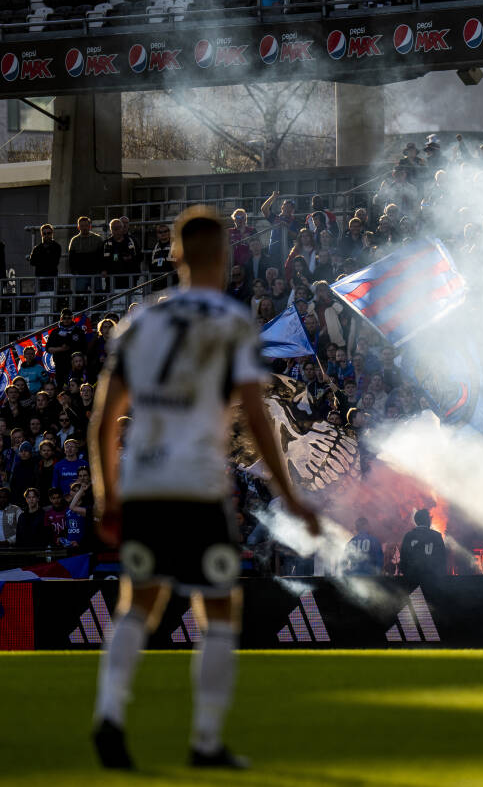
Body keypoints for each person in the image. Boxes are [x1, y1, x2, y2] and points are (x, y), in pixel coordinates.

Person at [90, 205, 320, 771]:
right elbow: (258, 420)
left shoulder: (139, 321)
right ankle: (206, 741)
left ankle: (109, 716)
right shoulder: (230, 322)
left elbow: (103, 419)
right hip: (196, 487)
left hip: (144, 485)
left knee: (137, 604)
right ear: (223, 256)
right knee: (218, 609)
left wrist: (107, 495)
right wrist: (291, 498)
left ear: (174, 254)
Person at [400, 508, 446, 586]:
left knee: (416, 598)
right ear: (428, 520)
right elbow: (442, 559)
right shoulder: (437, 536)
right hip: (432, 580)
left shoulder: (409, 536)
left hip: (413, 579)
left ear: (416, 521)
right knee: (430, 598)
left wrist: (407, 575)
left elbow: (403, 558)